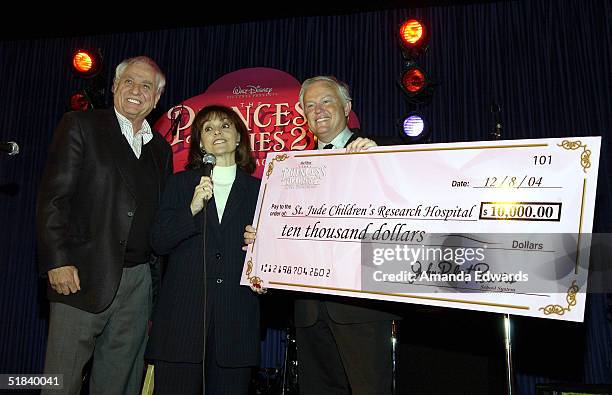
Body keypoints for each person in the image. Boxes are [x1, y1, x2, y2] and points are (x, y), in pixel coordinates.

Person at [244, 76, 399, 395]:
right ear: (302, 113)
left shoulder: (378, 151)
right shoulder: (291, 169)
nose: (319, 110)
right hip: (308, 312)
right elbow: (284, 230)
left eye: (327, 101)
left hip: (361, 310)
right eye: (310, 105)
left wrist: (383, 159)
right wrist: (263, 241)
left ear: (346, 107)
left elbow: (410, 198)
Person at [36, 56, 173, 394]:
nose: (136, 91)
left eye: (146, 86)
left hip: (139, 282)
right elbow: (53, 198)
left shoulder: (161, 150)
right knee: (60, 381)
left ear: (156, 99)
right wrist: (57, 260)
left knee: (120, 383)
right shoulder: (80, 125)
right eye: (129, 81)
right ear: (114, 86)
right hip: (80, 274)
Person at [145, 105, 262, 394]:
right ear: (199, 143)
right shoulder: (180, 184)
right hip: (181, 324)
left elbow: (276, 254)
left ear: (238, 138)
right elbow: (158, 241)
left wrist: (263, 248)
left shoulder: (261, 190)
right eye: (207, 129)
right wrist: (192, 209)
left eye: (224, 126)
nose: (216, 132)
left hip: (236, 322)